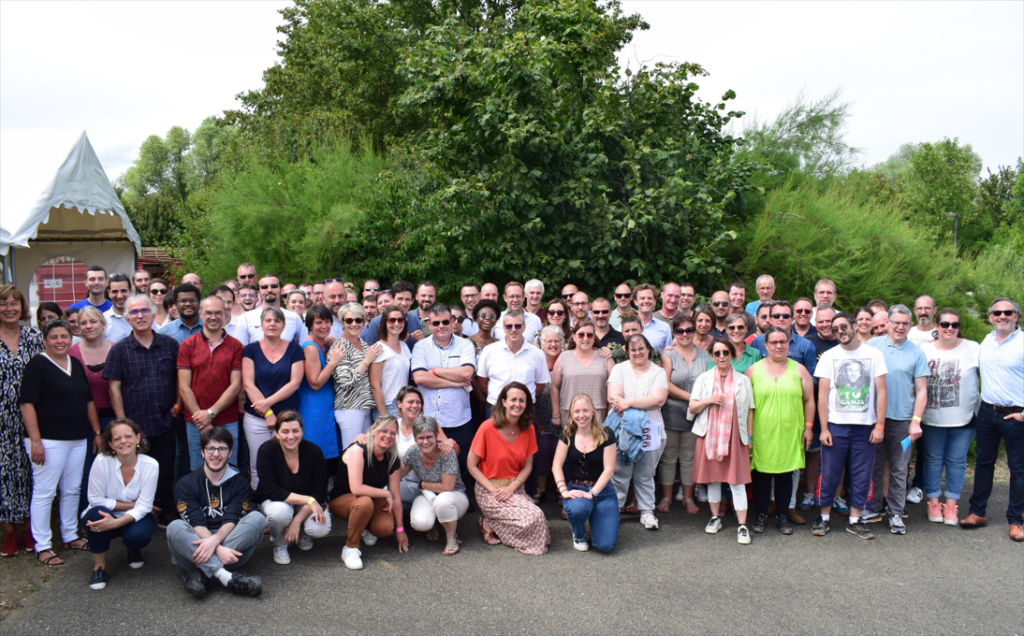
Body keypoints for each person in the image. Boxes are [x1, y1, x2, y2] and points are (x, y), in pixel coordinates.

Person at [20, 318, 101, 565]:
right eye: (53, 337)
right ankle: (43, 545)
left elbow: (88, 401)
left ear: (70, 338)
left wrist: (97, 431)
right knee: (45, 493)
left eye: (63, 336)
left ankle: (70, 535)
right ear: (45, 340)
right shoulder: (38, 365)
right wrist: (35, 441)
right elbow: (27, 404)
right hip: (48, 440)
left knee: (72, 489)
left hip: (77, 438)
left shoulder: (75, 363)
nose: (59, 341)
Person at [103, 295, 180, 528]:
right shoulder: (119, 350)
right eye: (134, 312)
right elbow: (114, 387)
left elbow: (179, 378)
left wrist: (177, 405)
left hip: (165, 418)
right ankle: (139, 512)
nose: (140, 316)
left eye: (144, 311)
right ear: (127, 319)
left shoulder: (169, 344)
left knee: (165, 469)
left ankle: (166, 510)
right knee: (135, 471)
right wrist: (121, 422)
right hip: (134, 424)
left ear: (154, 313)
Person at [812, 312, 888, 539]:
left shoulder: (874, 355)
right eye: (835, 329)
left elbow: (882, 392)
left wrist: (880, 426)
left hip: (865, 427)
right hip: (836, 427)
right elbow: (822, 394)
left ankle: (855, 520)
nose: (840, 331)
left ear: (854, 326)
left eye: (843, 326)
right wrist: (824, 428)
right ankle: (823, 518)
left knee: (862, 474)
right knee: (829, 474)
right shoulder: (828, 356)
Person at [167, 427, 265, 599]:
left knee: (257, 518)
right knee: (175, 527)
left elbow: (232, 518)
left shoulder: (240, 483)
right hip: (194, 549)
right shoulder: (186, 484)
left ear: (230, 452)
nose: (216, 454)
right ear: (202, 453)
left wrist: (216, 544)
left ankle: (201, 575)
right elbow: (195, 521)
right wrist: (217, 548)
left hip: (231, 550)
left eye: (222, 449)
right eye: (210, 448)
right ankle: (225, 577)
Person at [862, 305, 928, 533]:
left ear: (910, 326)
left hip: (902, 421)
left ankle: (896, 514)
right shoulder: (873, 346)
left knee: (900, 468)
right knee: (874, 466)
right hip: (874, 419)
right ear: (888, 322)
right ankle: (873, 509)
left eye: (905, 323)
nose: (900, 327)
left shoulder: (916, 353)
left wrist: (916, 421)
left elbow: (921, 391)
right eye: (896, 322)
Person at [963, 298, 1024, 542]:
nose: (1002, 316)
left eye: (1007, 312)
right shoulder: (986, 342)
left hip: (1016, 415)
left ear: (1016, 316)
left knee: (1018, 470)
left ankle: (1016, 520)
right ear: (990, 317)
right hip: (987, 411)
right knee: (984, 464)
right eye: (997, 312)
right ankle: (977, 512)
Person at [745, 329, 815, 534]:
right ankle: (760, 515)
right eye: (773, 342)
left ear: (788, 344)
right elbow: (745, 406)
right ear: (765, 345)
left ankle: (783, 516)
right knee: (761, 475)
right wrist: (748, 435)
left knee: (786, 474)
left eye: (782, 342)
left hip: (790, 431)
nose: (778, 346)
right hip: (761, 433)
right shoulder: (753, 370)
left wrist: (809, 427)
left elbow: (809, 400)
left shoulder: (799, 370)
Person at [468, 382, 549, 555]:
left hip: (514, 489)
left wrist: (512, 488)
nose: (517, 404)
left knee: (537, 518)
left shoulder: (529, 428)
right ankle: (489, 521)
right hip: (489, 490)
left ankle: (491, 522)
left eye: (522, 400)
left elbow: (528, 466)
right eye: (513, 399)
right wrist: (494, 490)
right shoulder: (487, 427)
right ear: (503, 402)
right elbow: (471, 465)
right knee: (533, 518)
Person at [689, 339, 755, 544]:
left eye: (726, 352)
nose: (722, 357)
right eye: (717, 353)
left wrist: (750, 437)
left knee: (737, 480)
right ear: (711, 356)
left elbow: (750, 409)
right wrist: (708, 400)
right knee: (714, 478)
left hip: (735, 435)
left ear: (732, 355)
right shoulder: (703, 379)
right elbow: (692, 407)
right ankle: (715, 517)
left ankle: (743, 525)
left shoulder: (743, 380)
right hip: (710, 435)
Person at [918, 309, 979, 526]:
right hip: (932, 418)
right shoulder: (924, 351)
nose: (950, 328)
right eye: (945, 324)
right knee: (932, 460)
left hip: (964, 418)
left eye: (954, 324)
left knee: (956, 461)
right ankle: (933, 502)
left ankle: (951, 504)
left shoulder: (973, 348)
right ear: (937, 325)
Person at [82, 419, 158, 589]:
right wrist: (133, 504)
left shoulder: (151, 465)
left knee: (139, 534)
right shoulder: (102, 460)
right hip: (105, 514)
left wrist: (116, 522)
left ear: (137, 438)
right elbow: (95, 499)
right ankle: (99, 567)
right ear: (110, 443)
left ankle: (132, 549)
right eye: (117, 439)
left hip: (129, 518)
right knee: (96, 514)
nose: (123, 441)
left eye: (128, 436)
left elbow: (144, 507)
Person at [329, 415, 408, 570]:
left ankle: (363, 527)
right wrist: (386, 494)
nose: (388, 436)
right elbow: (356, 488)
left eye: (393, 433)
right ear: (373, 431)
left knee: (384, 529)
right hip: (343, 499)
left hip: (370, 500)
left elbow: (396, 496)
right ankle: (350, 548)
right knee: (364, 502)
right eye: (384, 431)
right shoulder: (359, 449)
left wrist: (400, 530)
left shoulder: (392, 458)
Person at [608, 334, 670, 530]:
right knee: (619, 472)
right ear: (627, 351)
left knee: (645, 473)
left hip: (650, 428)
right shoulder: (619, 369)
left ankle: (647, 512)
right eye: (633, 349)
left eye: (641, 348)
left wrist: (629, 402)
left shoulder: (658, 372)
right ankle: (614, 509)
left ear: (648, 349)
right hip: (621, 429)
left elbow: (658, 399)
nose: (637, 353)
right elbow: (614, 397)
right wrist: (629, 402)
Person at [254, 411, 331, 565]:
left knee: (319, 528)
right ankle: (279, 543)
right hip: (276, 500)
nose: (291, 436)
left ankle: (301, 531)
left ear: (302, 431)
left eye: (295, 431)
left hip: (304, 504)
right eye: (285, 431)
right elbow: (272, 491)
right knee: (279, 513)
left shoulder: (314, 452)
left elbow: (320, 492)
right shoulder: (266, 451)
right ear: (277, 433)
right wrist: (309, 500)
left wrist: (296, 521)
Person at [241, 307, 305, 490]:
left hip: (287, 419)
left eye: (277, 320)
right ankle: (260, 503)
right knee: (257, 463)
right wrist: (268, 413)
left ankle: (286, 502)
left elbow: (294, 383)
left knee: (287, 462)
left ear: (284, 325)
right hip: (256, 418)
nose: (272, 324)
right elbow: (248, 384)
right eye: (268, 320)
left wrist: (268, 403)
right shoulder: (251, 350)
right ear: (261, 325)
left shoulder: (294, 349)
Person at [411, 303, 476, 482]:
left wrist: (433, 370)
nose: (441, 326)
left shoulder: (465, 345)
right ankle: (438, 494)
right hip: (430, 417)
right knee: (432, 461)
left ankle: (460, 495)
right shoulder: (420, 347)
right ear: (429, 325)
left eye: (445, 321)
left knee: (461, 461)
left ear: (452, 321)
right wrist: (453, 383)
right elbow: (419, 379)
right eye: (436, 323)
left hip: (459, 417)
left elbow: (466, 373)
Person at [177, 296, 243, 471]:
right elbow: (184, 386)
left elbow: (235, 385)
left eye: (217, 313)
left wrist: (211, 413)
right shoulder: (187, 345)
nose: (213, 317)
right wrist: (202, 419)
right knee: (199, 469)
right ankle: (203, 500)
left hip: (227, 419)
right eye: (208, 313)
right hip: (195, 421)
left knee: (229, 468)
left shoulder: (236, 346)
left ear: (225, 314)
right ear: (200, 314)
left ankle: (228, 500)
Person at [658, 314, 711, 513]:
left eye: (689, 330)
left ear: (695, 331)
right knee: (669, 457)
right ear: (674, 333)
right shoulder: (668, 355)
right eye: (680, 331)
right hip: (672, 412)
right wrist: (692, 398)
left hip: (697, 415)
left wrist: (698, 402)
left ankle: (688, 498)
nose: (685, 334)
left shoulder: (706, 356)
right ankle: (666, 498)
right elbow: (666, 384)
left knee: (689, 457)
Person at [552, 393, 618, 552]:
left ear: (593, 412)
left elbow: (609, 470)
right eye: (577, 411)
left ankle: (596, 520)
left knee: (605, 546)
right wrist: (564, 491)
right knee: (577, 509)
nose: (581, 415)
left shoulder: (606, 433)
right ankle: (578, 532)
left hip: (603, 491)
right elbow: (556, 465)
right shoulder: (568, 434)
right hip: (577, 488)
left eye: (585, 410)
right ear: (571, 415)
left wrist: (593, 493)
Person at [70, 306, 115, 514]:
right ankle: (85, 515)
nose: (88, 326)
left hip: (113, 419)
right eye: (83, 323)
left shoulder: (116, 350)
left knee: (114, 469)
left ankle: (114, 514)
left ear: (103, 324)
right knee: (86, 471)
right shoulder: (71, 353)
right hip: (82, 422)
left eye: (93, 321)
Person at [401, 416, 468, 555]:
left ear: (437, 435)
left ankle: (451, 537)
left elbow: (447, 487)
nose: (425, 442)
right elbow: (398, 473)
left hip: (454, 496)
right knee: (421, 523)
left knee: (442, 501)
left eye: (429, 437)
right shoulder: (413, 451)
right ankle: (433, 524)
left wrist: (422, 484)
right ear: (414, 438)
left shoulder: (446, 451)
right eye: (420, 438)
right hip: (427, 495)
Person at [331, 303, 383, 451]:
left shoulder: (363, 344)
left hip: (365, 407)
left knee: (366, 453)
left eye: (358, 320)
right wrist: (366, 360)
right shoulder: (340, 346)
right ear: (342, 322)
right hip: (349, 407)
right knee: (352, 452)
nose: (354, 324)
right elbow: (345, 381)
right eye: (349, 321)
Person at [298, 305, 343, 472]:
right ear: (309, 325)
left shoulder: (324, 344)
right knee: (315, 456)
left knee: (328, 457)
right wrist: (333, 362)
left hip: (327, 407)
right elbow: (315, 383)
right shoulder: (310, 347)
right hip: (313, 409)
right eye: (318, 323)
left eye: (327, 322)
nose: (324, 326)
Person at [477, 309, 550, 410]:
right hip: (496, 407)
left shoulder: (537, 354)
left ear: (524, 327)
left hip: (525, 409)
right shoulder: (489, 351)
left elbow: (541, 384)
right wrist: (498, 397)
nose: (513, 329)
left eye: (518, 326)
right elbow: (481, 381)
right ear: (503, 328)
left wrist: (525, 399)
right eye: (509, 326)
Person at [532, 326, 565, 504]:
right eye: (549, 341)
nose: (553, 344)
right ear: (542, 344)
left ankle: (562, 489)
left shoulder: (567, 361)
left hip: (564, 419)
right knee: (544, 451)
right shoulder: (536, 362)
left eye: (556, 341)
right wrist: (537, 421)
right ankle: (541, 488)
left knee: (563, 452)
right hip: (542, 420)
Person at [750, 300, 818, 375]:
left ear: (792, 319)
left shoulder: (806, 345)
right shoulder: (757, 342)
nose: (781, 319)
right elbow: (753, 372)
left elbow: (812, 377)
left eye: (785, 316)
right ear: (770, 319)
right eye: (776, 316)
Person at [235, 275, 305, 346]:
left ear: (281, 290)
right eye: (264, 287)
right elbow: (240, 348)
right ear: (258, 292)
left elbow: (303, 346)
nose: (269, 290)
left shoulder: (294, 318)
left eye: (274, 286)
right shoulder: (246, 318)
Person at [370, 305, 412, 418]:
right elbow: (375, 386)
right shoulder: (378, 348)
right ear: (384, 323)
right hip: (388, 405)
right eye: (392, 320)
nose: (397, 323)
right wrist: (384, 417)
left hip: (404, 403)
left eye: (400, 320)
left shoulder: (404, 346)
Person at [361, 280, 423, 346]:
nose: (404, 303)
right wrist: (396, 343)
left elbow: (424, 350)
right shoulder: (376, 322)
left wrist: (422, 340)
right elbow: (370, 352)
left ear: (412, 300)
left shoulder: (414, 319)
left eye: (407, 299)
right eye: (400, 299)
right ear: (391, 298)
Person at [632, 284, 672, 353]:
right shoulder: (626, 327)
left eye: (650, 298)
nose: (646, 301)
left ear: (655, 301)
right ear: (635, 302)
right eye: (642, 298)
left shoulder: (664, 327)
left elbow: (669, 354)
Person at [102, 273, 133, 344]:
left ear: (131, 291)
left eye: (123, 291)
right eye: (115, 291)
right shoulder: (103, 320)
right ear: (109, 293)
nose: (119, 296)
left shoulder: (143, 316)